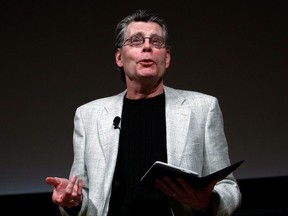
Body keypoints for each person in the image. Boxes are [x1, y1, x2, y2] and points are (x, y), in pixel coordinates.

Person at [45, 9, 242, 216]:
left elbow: (229, 189)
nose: (147, 46)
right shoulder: (88, 116)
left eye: (156, 42)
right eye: (137, 41)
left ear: (166, 58)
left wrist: (207, 202)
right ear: (119, 57)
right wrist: (72, 202)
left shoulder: (203, 108)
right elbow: (81, 196)